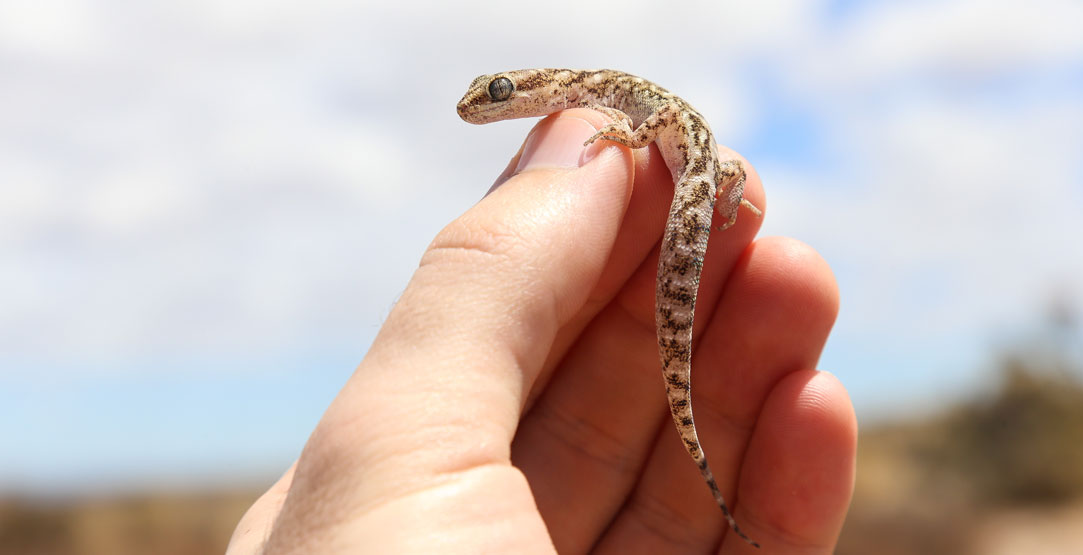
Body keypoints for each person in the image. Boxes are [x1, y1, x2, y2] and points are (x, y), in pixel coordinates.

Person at [228, 109, 856, 553]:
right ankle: (696, 443)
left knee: (679, 307)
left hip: (693, 179)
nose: (478, 109)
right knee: (673, 319)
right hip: (696, 179)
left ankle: (695, 438)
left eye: (496, 95)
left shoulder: (605, 94)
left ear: (538, 91)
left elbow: (663, 121)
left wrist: (632, 138)